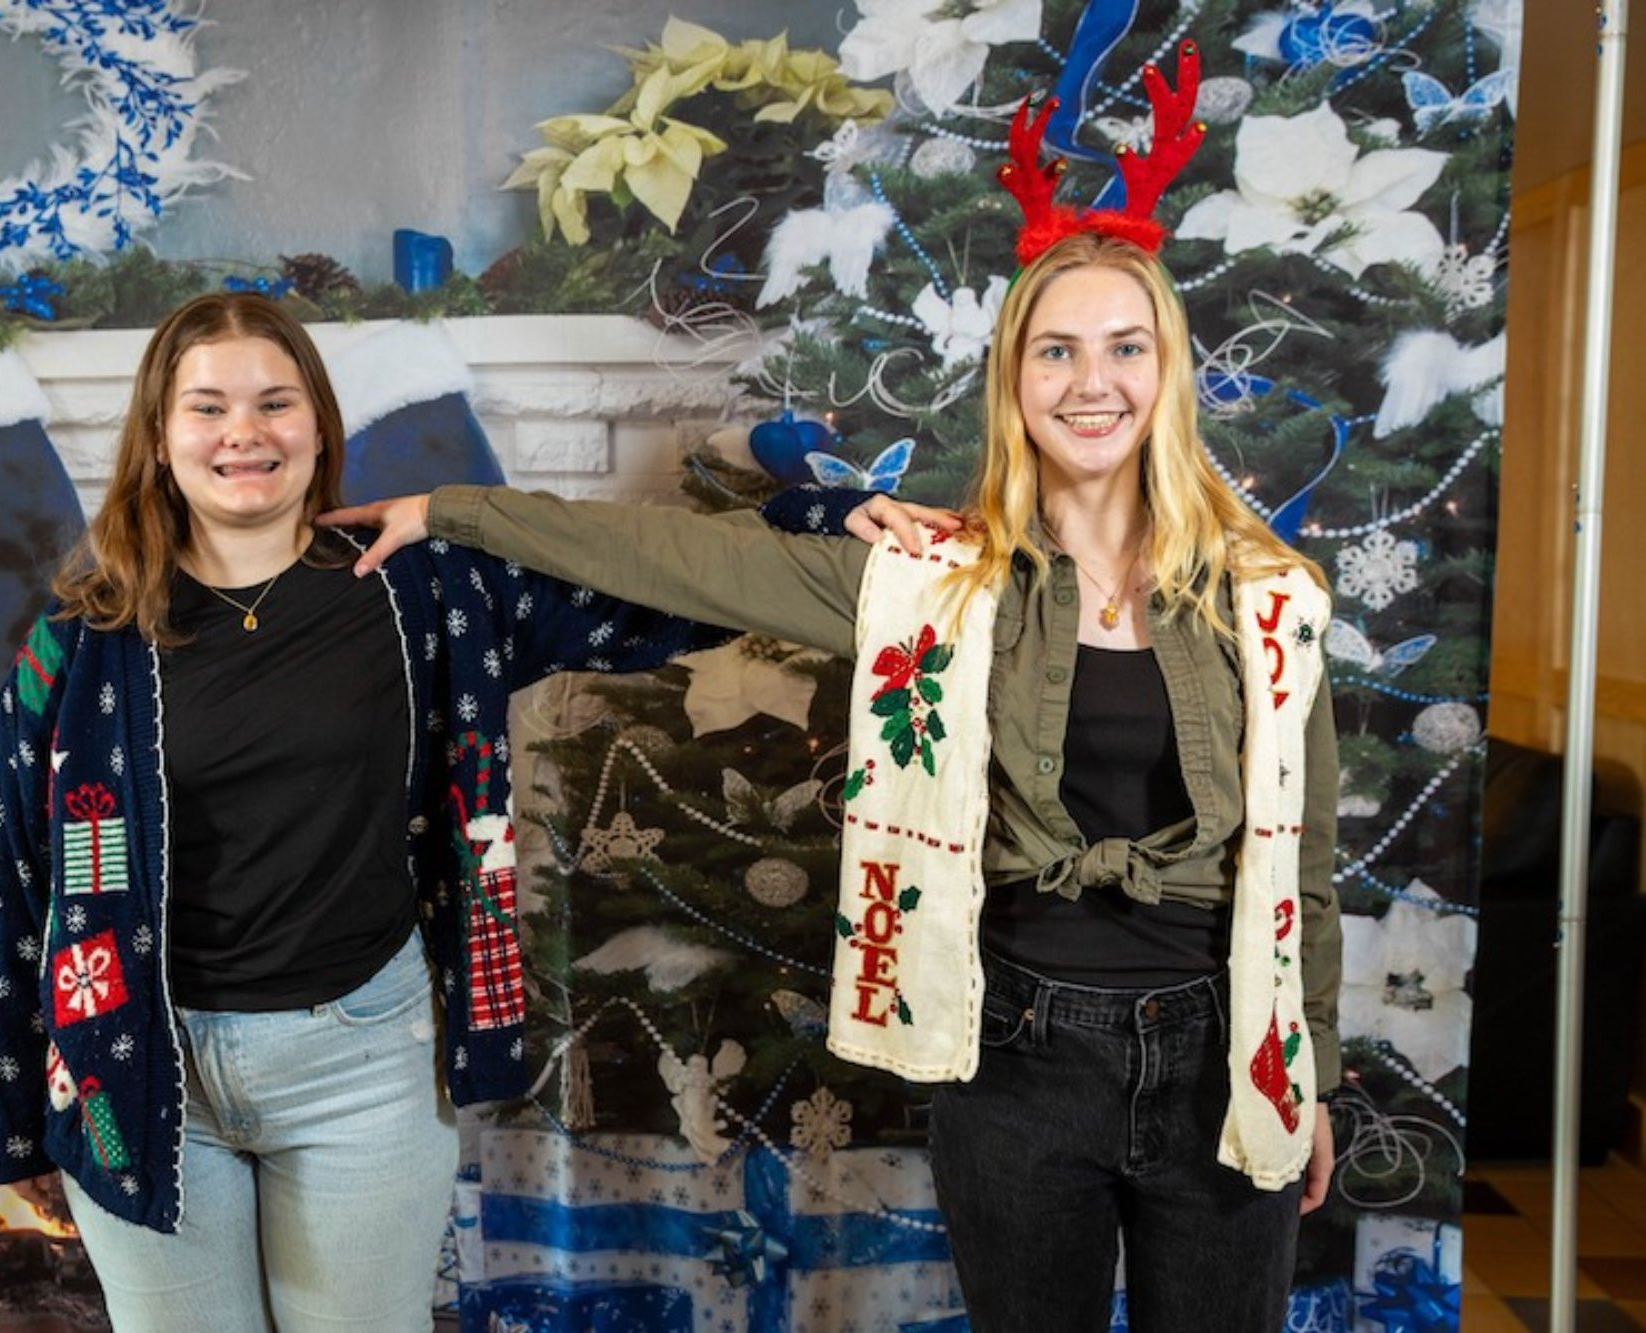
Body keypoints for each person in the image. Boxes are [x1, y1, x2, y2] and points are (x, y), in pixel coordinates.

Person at [328, 222, 1342, 1330]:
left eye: (1123, 347)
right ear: (1013, 379)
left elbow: (1305, 857)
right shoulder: (930, 581)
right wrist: (452, 509)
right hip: (1017, 1057)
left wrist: (1315, 1073)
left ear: (1167, 370)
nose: (1089, 382)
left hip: (1228, 1053)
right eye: (1054, 351)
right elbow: (681, 558)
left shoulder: (1266, 594)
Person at [0, 292, 732, 1332]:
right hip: (137, 1068)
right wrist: (12, 1123)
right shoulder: (80, 640)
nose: (243, 431)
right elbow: (10, 875)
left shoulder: (417, 590)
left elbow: (637, 601)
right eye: (207, 407)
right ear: (157, 437)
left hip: (360, 1064)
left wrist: (808, 527)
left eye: (275, 402)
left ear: (318, 426)